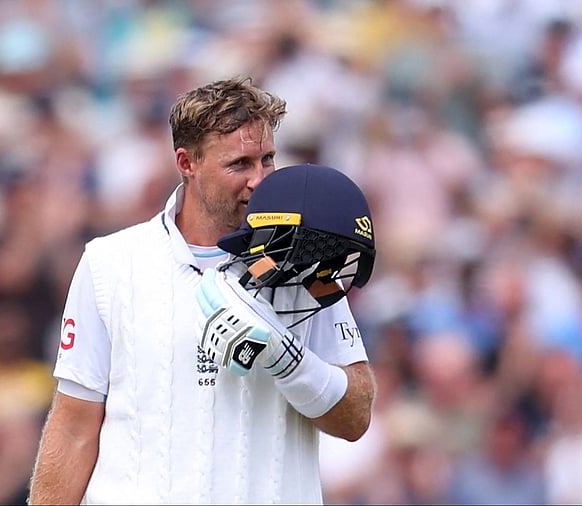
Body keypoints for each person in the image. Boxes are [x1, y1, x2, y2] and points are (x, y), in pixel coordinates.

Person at [27, 77, 377, 505]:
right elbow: (74, 427)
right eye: (240, 164)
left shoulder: (306, 262)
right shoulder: (110, 264)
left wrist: (289, 362)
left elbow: (356, 416)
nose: (260, 180)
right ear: (186, 162)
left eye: (268, 160)